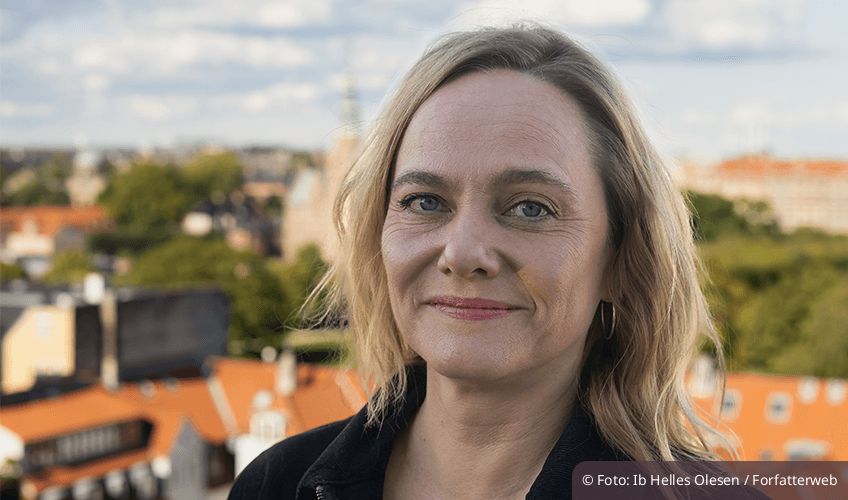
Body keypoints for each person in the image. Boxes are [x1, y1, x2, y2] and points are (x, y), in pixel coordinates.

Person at [229, 24, 727, 500]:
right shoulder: (275, 486)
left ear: (620, 260)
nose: (462, 253)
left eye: (530, 208)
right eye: (424, 201)